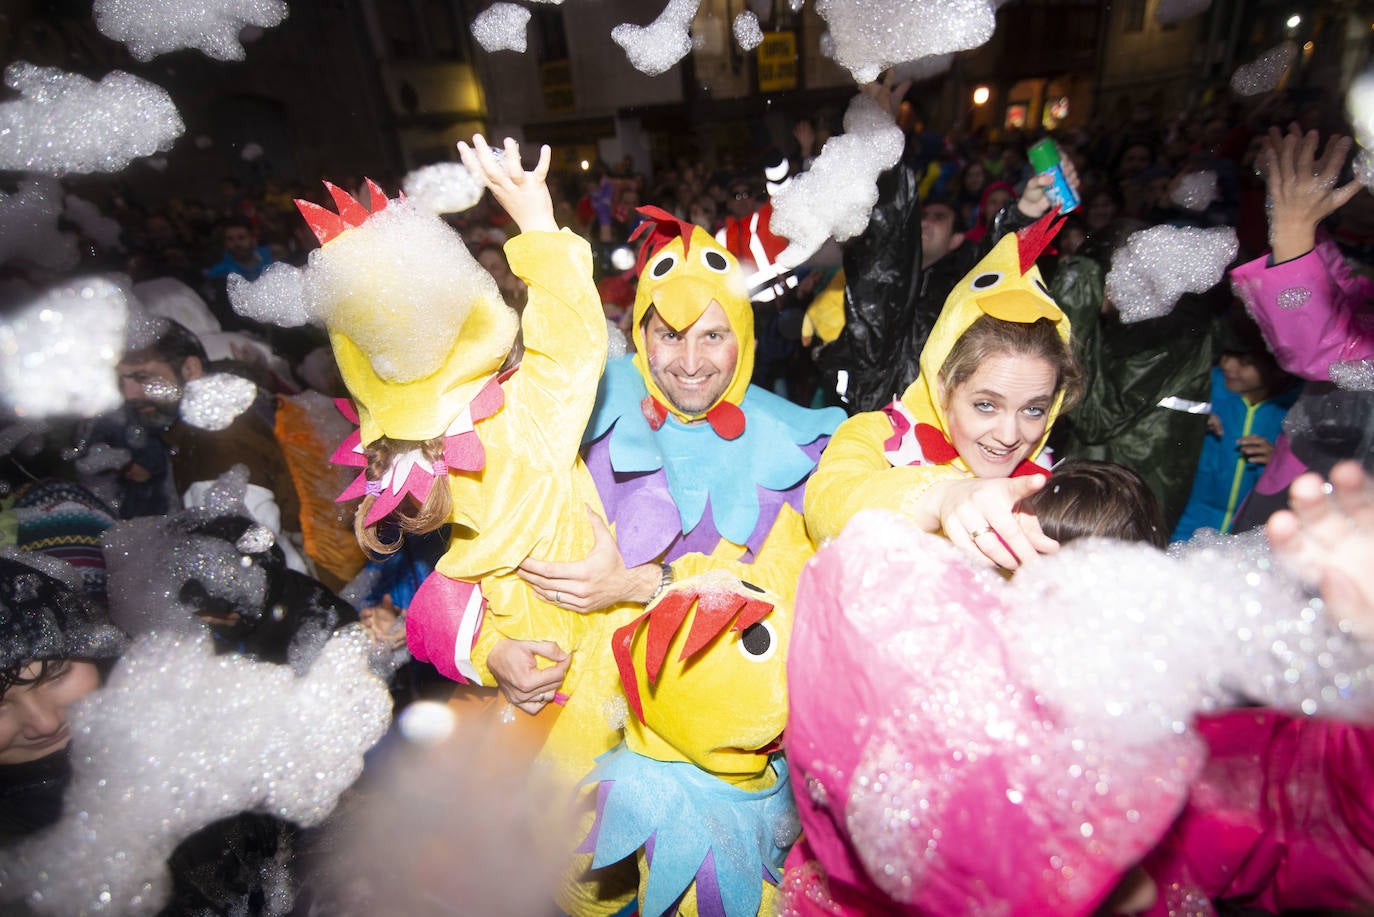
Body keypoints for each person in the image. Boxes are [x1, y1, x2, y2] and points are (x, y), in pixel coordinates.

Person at [804, 208, 1082, 570]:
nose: (1010, 435)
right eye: (985, 405)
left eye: (1033, 409)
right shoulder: (876, 434)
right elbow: (827, 507)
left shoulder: (1050, 489)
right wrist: (940, 497)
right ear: (942, 386)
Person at [1229, 124, 1371, 530]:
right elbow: (1346, 303)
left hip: (1343, 515)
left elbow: (1332, 354)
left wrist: (1294, 232)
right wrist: (1302, 224)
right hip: (1303, 477)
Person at [1171, 320, 1298, 541]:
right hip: (1188, 523)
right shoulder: (1205, 387)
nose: (1227, 364)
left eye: (1245, 361)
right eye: (1226, 354)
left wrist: (1278, 462)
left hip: (1252, 534)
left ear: (1280, 369)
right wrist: (1190, 421)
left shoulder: (1297, 409)